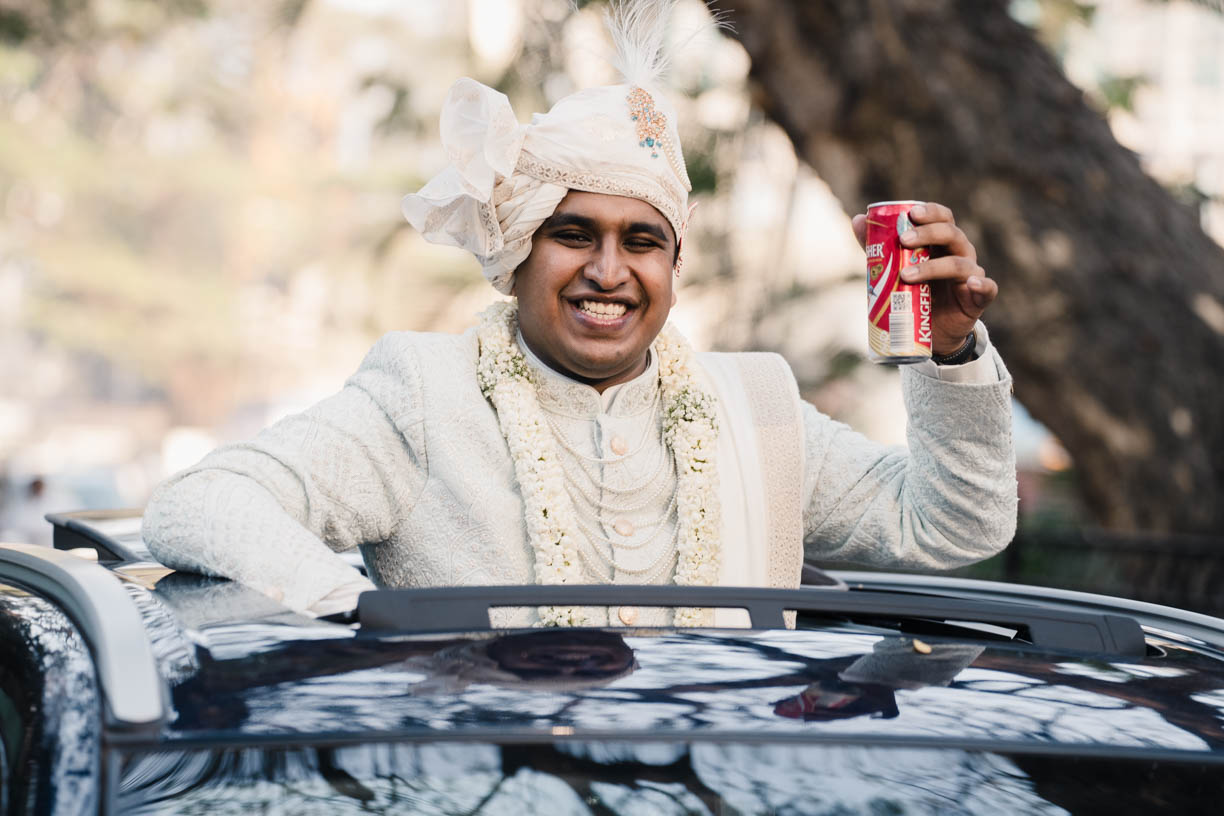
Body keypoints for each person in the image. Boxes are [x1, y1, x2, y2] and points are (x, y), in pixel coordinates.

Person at [143, 1, 1016, 627]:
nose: (608, 271)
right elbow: (202, 503)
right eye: (572, 234)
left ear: (674, 264)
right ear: (517, 252)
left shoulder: (754, 406)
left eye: (642, 240)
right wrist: (363, 623)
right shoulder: (425, 395)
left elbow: (953, 525)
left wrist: (950, 356)